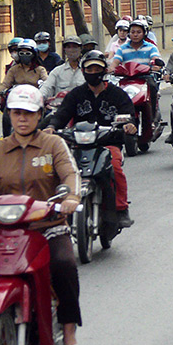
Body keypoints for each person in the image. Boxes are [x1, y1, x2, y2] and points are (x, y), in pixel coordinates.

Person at [0, 84, 84, 345]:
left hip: (48, 228)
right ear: (9, 116)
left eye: (28, 113)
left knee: (64, 264)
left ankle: (69, 330)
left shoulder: (53, 144)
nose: (22, 118)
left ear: (40, 115)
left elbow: (69, 173)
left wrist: (72, 196)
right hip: (7, 231)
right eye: (16, 113)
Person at [44, 52, 137, 229]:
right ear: (83, 71)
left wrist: (129, 125)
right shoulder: (75, 95)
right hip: (79, 145)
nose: (93, 72)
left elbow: (129, 116)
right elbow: (62, 114)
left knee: (115, 168)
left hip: (108, 143)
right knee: (60, 171)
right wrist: (52, 127)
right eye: (89, 69)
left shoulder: (117, 94)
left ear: (104, 71)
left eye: (97, 69)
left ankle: (121, 209)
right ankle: (56, 207)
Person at [39, 35, 85, 101]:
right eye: (68, 47)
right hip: (60, 108)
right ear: (64, 50)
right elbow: (46, 89)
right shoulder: (57, 72)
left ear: (80, 49)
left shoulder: (87, 70)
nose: (71, 50)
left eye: (75, 47)